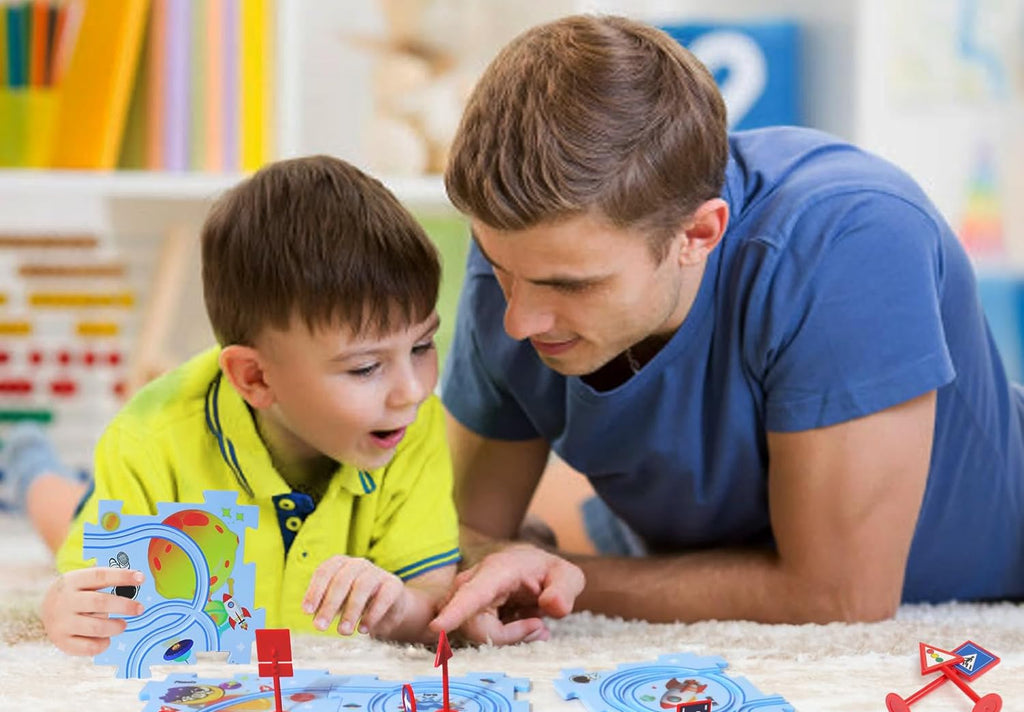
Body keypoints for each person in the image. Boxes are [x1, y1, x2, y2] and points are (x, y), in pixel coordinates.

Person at [429, 14, 1024, 639]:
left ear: (699, 234)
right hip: (669, 538)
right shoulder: (527, 252)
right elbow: (453, 542)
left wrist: (556, 574)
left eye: (571, 286)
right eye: (499, 268)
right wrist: (497, 557)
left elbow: (842, 597)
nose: (518, 320)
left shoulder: (851, 238)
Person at [13, 155, 482, 655]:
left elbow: (432, 602)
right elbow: (91, 594)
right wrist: (64, 604)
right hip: (139, 471)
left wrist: (395, 608)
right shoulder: (145, 440)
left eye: (421, 347)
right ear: (256, 377)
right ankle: (28, 461)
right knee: (59, 511)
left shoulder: (410, 422)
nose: (411, 389)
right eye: (366, 368)